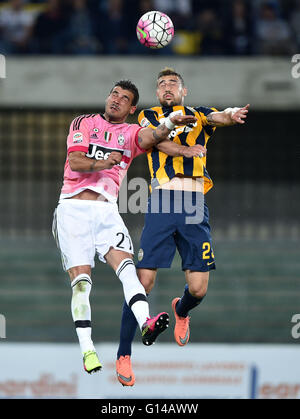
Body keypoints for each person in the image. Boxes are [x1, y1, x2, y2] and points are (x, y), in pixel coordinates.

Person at [52, 79, 204, 374]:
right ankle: (88, 350)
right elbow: (76, 161)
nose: (116, 100)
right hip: (73, 209)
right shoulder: (84, 122)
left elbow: (155, 135)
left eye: (124, 98)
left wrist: (172, 120)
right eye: (114, 94)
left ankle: (146, 323)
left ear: (132, 108)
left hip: (107, 211)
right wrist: (104, 163)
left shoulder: (131, 134)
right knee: (82, 284)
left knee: (129, 270)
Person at [116, 68, 249, 386]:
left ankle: (182, 309)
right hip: (162, 204)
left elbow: (220, 118)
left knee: (199, 289)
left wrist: (231, 113)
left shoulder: (198, 115)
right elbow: (156, 142)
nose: (166, 87)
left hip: (193, 207)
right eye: (161, 84)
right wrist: (184, 150)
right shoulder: (149, 115)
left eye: (172, 83)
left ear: (184, 91)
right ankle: (123, 355)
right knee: (143, 282)